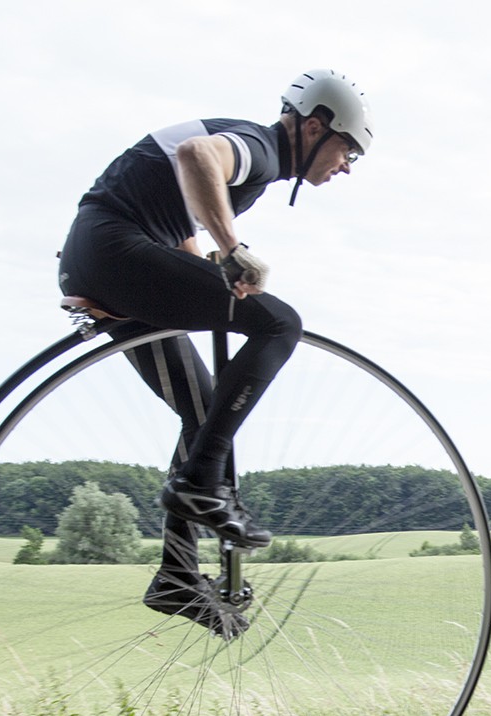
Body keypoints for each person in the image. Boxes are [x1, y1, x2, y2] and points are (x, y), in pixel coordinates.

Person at [56, 69, 372, 636]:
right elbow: (198, 157)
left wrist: (211, 265)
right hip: (115, 250)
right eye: (349, 149)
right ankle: (202, 485)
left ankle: (177, 574)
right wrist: (233, 250)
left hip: (105, 254)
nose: (346, 166)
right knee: (280, 324)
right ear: (315, 126)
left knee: (204, 412)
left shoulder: (253, 155)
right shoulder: (261, 148)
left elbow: (181, 225)